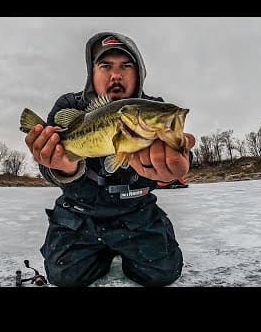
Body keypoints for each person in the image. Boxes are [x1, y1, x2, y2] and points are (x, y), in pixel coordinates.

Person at [24, 31, 196, 287]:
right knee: (64, 277)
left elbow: (178, 151)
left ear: (139, 73)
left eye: (126, 66)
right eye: (105, 66)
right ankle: (97, 252)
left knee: (163, 273)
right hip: (80, 214)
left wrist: (174, 168)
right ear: (92, 73)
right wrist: (63, 166)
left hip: (136, 212)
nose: (116, 75)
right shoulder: (70, 105)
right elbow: (49, 166)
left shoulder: (151, 105)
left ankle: (125, 248)